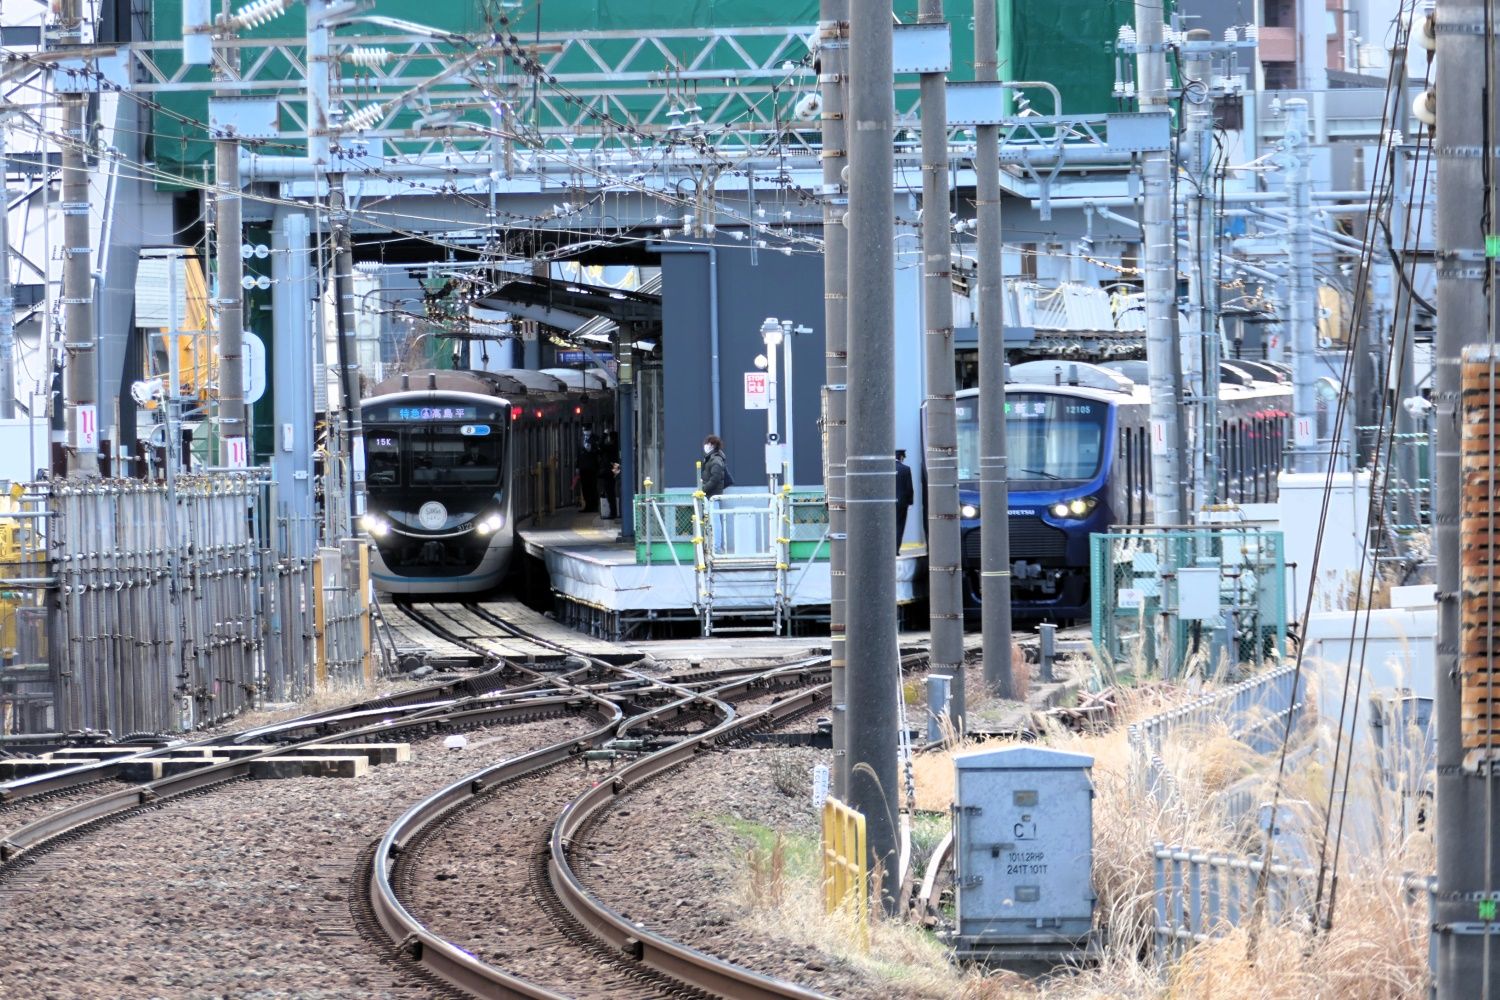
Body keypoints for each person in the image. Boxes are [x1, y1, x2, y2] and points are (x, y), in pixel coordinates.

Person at [895, 448, 915, 549]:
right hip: (901, 503)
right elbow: (909, 488)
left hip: (888, 503)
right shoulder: (906, 469)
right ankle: (896, 549)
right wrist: (910, 502)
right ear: (901, 457)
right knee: (899, 525)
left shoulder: (886, 469)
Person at [576, 431, 600, 512]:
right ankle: (587, 506)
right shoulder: (581, 439)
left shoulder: (595, 438)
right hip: (583, 468)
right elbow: (578, 454)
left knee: (592, 487)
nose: (585, 431)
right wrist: (577, 466)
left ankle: (594, 506)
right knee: (585, 488)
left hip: (592, 468)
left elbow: (598, 452)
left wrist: (591, 450)